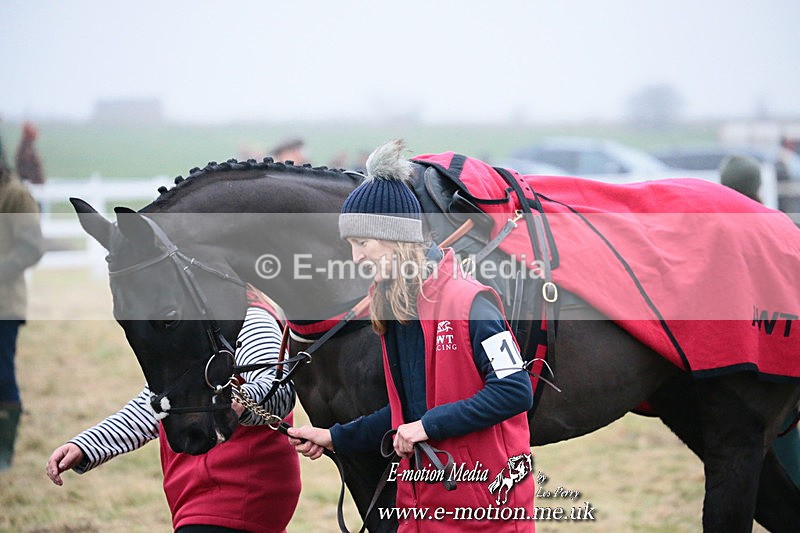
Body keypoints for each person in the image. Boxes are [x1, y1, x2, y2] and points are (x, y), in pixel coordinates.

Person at [288, 140, 535, 531]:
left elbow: (515, 391)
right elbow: (405, 413)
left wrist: (427, 426)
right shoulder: (396, 308)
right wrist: (334, 437)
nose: (356, 257)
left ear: (396, 238)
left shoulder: (470, 302)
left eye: (363, 243)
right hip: (421, 508)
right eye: (351, 245)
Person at [46, 287, 301, 532]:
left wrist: (239, 402)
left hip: (237, 490)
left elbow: (280, 390)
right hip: (195, 492)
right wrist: (87, 445)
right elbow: (159, 404)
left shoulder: (249, 317)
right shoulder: (193, 322)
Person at [0, 133, 44, 471]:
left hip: (4, 306)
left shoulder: (15, 195)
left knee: (2, 378)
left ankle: (4, 455)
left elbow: (31, 246)